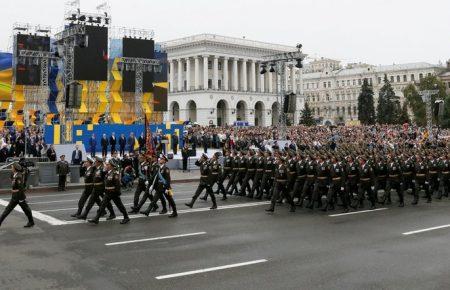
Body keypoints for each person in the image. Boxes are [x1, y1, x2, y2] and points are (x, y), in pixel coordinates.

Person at [88, 159, 130, 225]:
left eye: (108, 165)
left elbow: (117, 184)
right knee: (102, 205)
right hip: (108, 193)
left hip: (113, 193)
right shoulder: (108, 173)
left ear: (112, 166)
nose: (106, 166)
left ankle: (126, 217)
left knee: (120, 206)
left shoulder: (115, 173)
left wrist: (117, 192)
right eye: (107, 164)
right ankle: (96, 219)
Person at [0, 162, 34, 228]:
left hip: (19, 197)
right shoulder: (14, 174)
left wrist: (18, 195)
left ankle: (31, 222)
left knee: (26, 210)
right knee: (7, 210)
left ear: (15, 168)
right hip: (15, 197)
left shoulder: (19, 176)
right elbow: (13, 180)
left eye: (12, 167)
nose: (11, 168)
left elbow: (21, 188)